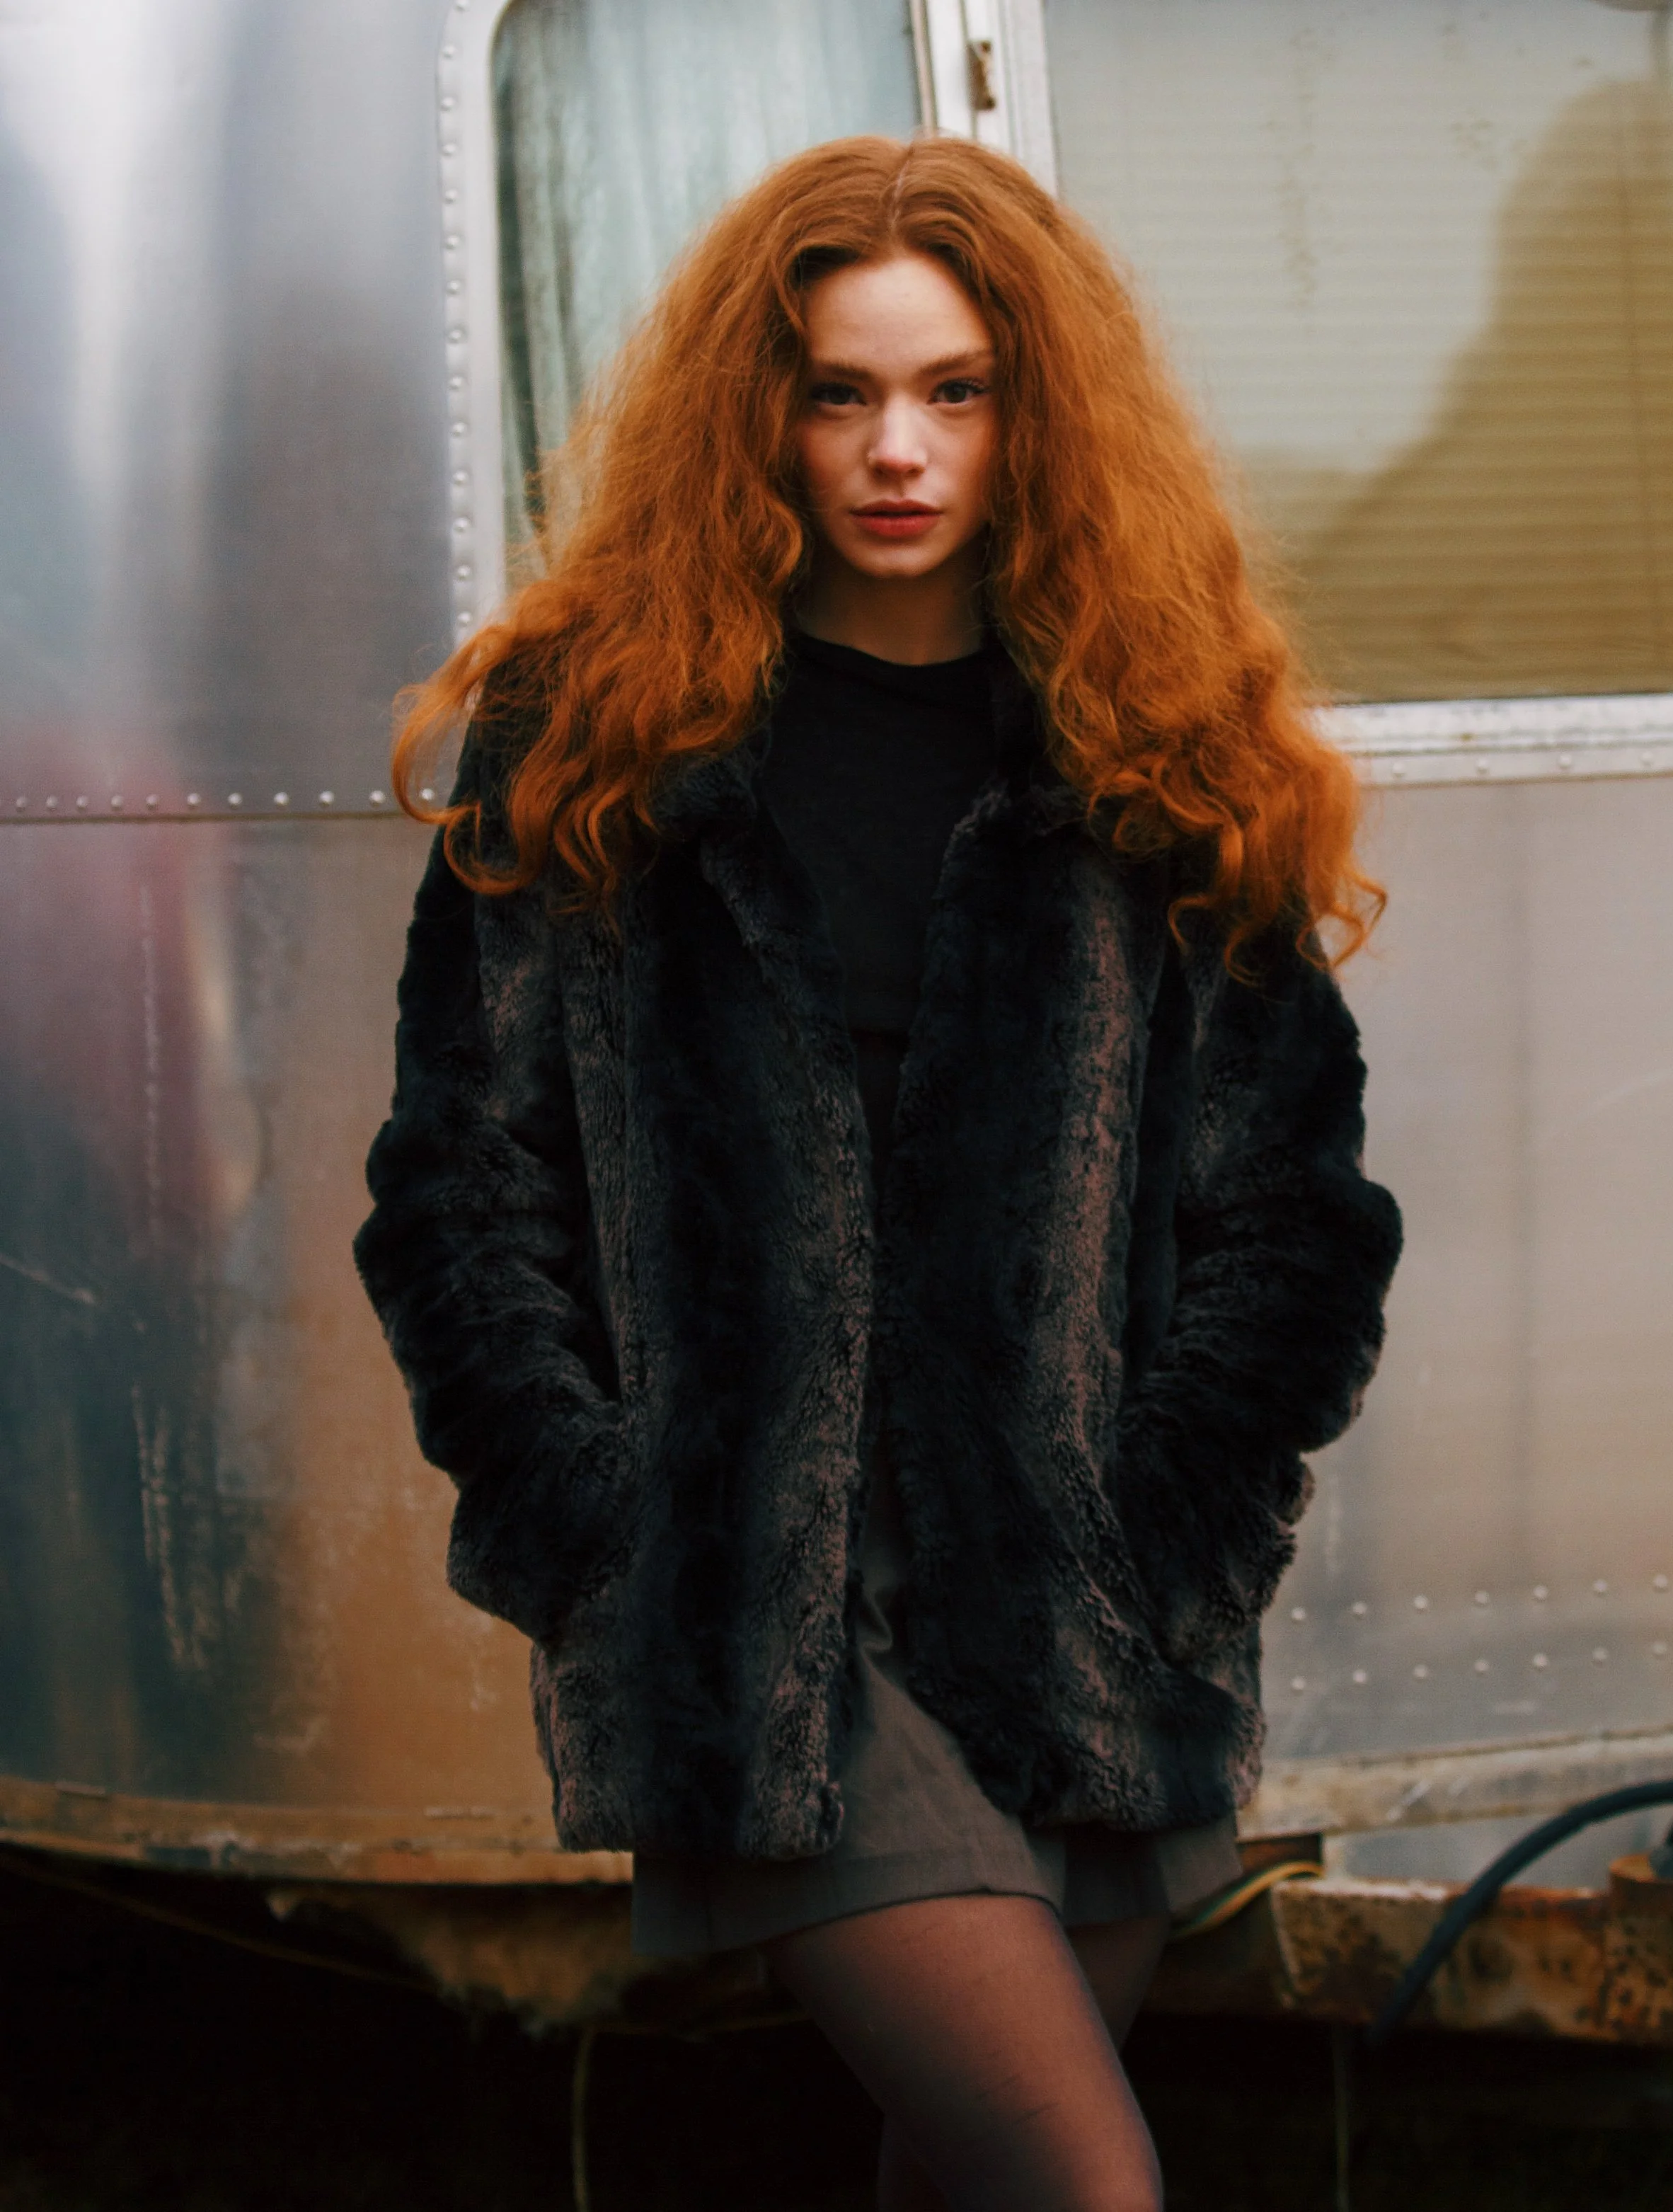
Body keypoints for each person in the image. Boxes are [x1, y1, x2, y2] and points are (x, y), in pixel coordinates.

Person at [357, 134, 1402, 2212]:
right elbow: (458, 1187)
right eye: (837, 393)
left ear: (1039, 412)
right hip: (760, 1610)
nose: (895, 451)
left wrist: (1177, 1527)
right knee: (1084, 2183)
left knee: (963, 2176)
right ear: (759, 416)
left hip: (1092, 1599)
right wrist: (608, 1531)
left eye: (954, 391)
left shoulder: (1152, 739)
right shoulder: (599, 731)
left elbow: (1296, 1212)